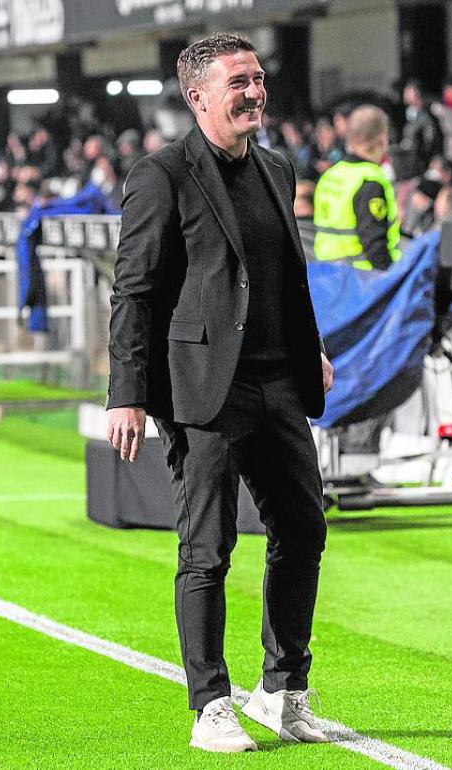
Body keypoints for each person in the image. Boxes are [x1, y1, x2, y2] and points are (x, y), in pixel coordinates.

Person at [105, 33, 333, 754]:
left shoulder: (276, 167)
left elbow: (284, 275)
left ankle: (282, 690)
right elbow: (134, 292)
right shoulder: (160, 174)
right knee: (209, 547)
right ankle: (209, 703)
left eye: (258, 79)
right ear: (197, 95)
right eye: (239, 82)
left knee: (304, 530)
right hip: (205, 389)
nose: (254, 92)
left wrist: (312, 349)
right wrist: (126, 393)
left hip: (278, 380)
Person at [312, 105, 401, 271]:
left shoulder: (329, 176)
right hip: (363, 282)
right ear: (382, 139)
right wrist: (392, 279)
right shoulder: (370, 181)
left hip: (329, 280)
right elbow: (375, 245)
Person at [401, 81, 445, 172]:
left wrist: (425, 157)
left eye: (408, 92)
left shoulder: (425, 116)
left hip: (421, 161)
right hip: (411, 159)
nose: (405, 95)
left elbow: (430, 139)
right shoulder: (410, 113)